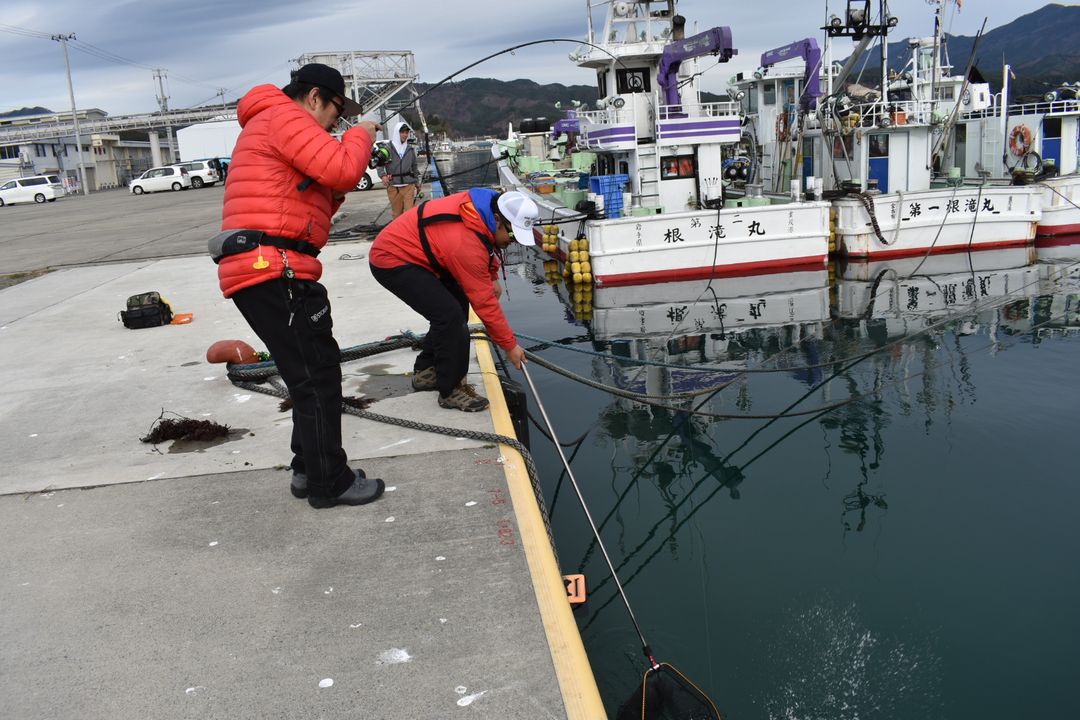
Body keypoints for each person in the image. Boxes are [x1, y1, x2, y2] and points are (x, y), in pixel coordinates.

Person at [215, 62, 385, 509]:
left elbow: (318, 199)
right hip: (274, 267)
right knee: (317, 377)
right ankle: (331, 482)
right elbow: (345, 169)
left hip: (267, 266)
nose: (336, 122)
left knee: (309, 372)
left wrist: (337, 176)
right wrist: (362, 133)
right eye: (336, 112)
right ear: (314, 97)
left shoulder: (268, 124)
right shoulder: (283, 116)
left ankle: (308, 469)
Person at [368, 189, 538, 411]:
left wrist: (492, 275)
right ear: (498, 219)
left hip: (426, 255)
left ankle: (426, 371)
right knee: (449, 316)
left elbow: (486, 241)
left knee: (456, 304)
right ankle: (451, 390)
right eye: (512, 235)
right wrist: (510, 345)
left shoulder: (488, 205)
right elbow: (484, 303)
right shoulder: (465, 243)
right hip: (392, 259)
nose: (511, 242)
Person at [379, 121, 421, 218]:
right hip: (393, 187)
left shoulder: (410, 149)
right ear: (397, 133)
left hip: (408, 186)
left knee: (410, 213)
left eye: (406, 132)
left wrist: (417, 183)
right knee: (397, 214)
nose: (405, 135)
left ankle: (409, 232)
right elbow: (379, 164)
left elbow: (414, 166)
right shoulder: (387, 148)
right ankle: (399, 233)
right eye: (402, 132)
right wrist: (383, 175)